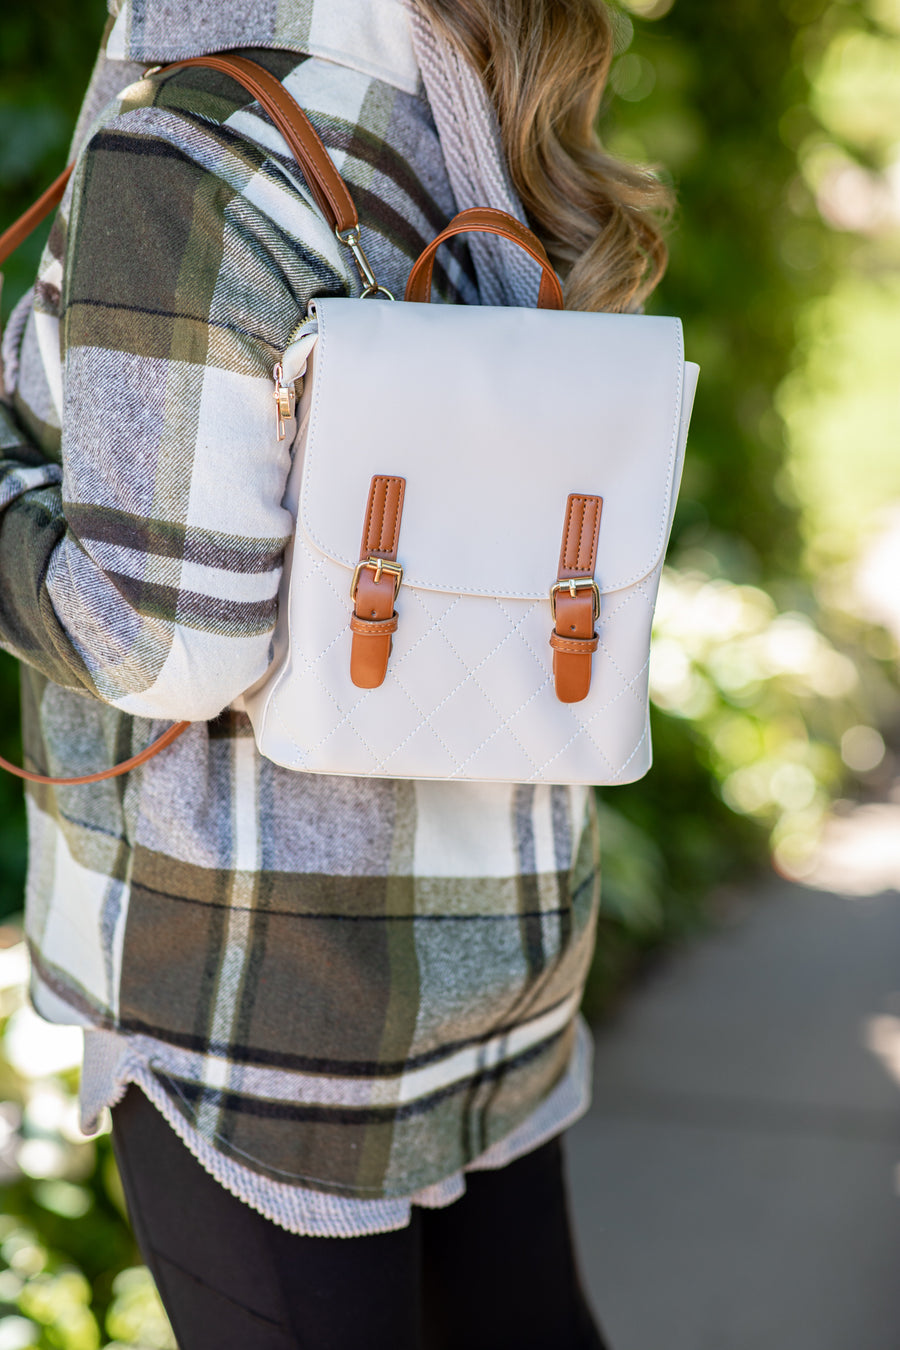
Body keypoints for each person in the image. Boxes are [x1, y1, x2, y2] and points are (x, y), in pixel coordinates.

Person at [0, 0, 670, 1345]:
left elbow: (159, 639)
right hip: (499, 949)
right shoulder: (464, 93)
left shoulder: (191, 140)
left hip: (268, 989)